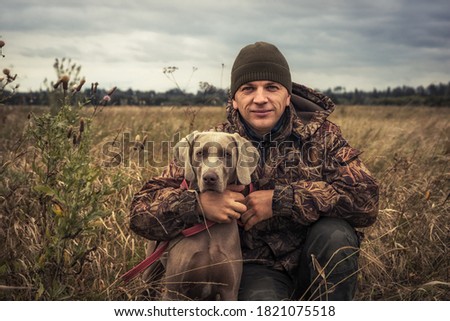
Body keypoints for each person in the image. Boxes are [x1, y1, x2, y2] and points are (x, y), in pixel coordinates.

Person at [130, 41, 379, 300]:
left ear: (287, 96)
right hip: (256, 269)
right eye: (248, 89)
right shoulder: (213, 143)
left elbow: (366, 199)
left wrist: (282, 200)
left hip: (312, 258)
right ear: (235, 100)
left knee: (335, 234)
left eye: (272, 87)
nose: (260, 99)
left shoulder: (323, 137)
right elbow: (140, 213)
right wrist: (198, 204)